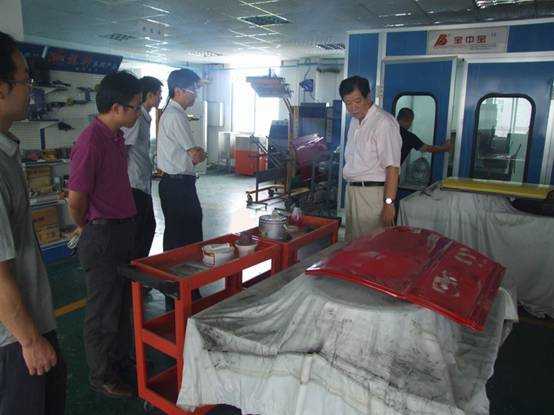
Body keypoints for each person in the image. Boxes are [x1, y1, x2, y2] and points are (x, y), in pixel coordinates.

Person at [0, 31, 66, 414]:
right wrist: (29, 339)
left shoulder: (6, 151)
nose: (30, 89)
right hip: (14, 343)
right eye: (26, 79)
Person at [68, 71, 141, 398]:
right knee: (103, 312)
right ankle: (102, 375)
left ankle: (120, 362)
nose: (139, 112)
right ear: (116, 108)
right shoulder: (90, 141)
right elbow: (76, 199)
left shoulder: (115, 137)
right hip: (102, 235)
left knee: (123, 305)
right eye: (135, 107)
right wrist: (87, 227)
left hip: (122, 230)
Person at [157, 68, 205, 307]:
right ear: (178, 90)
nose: (195, 94)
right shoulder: (176, 115)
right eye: (192, 89)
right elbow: (195, 155)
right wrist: (201, 152)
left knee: (179, 237)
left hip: (176, 184)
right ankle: (182, 294)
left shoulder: (173, 113)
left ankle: (181, 292)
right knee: (185, 240)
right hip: (178, 186)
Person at [339, 76, 401, 241]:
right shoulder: (354, 122)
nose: (353, 107)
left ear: (368, 96)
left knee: (370, 246)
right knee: (353, 244)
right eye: (348, 103)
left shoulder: (383, 123)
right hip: (353, 192)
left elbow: (392, 167)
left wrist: (389, 203)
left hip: (372, 195)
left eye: (357, 101)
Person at [122, 76, 162, 260]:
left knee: (147, 227)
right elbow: (124, 148)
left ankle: (138, 266)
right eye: (158, 94)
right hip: (133, 183)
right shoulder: (136, 118)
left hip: (142, 182)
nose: (161, 97)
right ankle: (134, 269)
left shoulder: (145, 117)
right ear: (149, 95)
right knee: (141, 230)